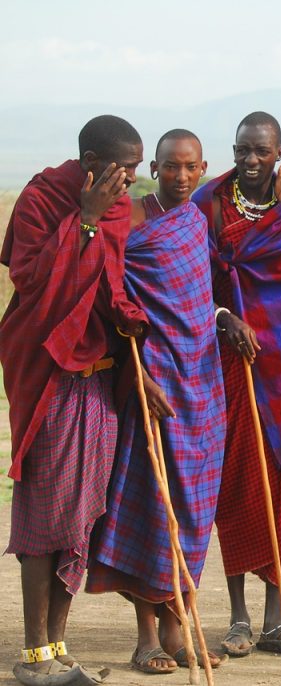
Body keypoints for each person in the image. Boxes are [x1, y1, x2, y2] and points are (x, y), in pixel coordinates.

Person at [2, 115, 148, 685]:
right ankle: (34, 653)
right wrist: (82, 219)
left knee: (81, 513)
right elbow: (35, 285)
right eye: (125, 170)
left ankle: (59, 646)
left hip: (97, 377)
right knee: (44, 512)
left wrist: (130, 319)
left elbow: (108, 283)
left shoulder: (114, 207)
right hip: (49, 377)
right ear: (92, 163)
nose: (131, 182)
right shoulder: (44, 198)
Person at [85, 129, 227, 673]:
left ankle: (180, 622)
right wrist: (136, 372)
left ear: (203, 167)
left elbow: (198, 295)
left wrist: (224, 317)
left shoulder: (197, 220)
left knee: (194, 506)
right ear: (155, 170)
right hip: (155, 380)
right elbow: (113, 301)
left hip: (204, 384)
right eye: (171, 167)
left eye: (192, 167)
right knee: (152, 499)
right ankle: (148, 635)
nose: (182, 177)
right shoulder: (134, 222)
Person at [192, 111, 281, 657]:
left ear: (278, 153)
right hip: (228, 362)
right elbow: (193, 279)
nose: (249, 161)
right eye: (242, 150)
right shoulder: (210, 203)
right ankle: (239, 616)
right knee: (238, 486)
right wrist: (224, 316)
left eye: (260, 152)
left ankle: (276, 620)